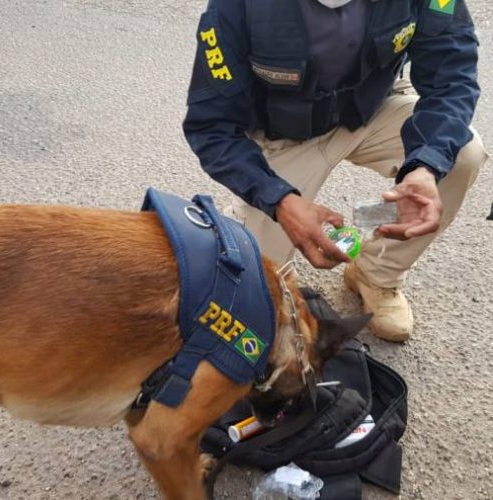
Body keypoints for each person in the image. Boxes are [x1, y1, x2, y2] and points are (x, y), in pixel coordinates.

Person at [182, 0, 488, 342]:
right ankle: (244, 220)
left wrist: (425, 165)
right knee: (249, 303)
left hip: (372, 108)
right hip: (284, 135)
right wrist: (277, 199)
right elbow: (211, 126)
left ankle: (376, 276)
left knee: (461, 153)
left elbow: (452, 78)